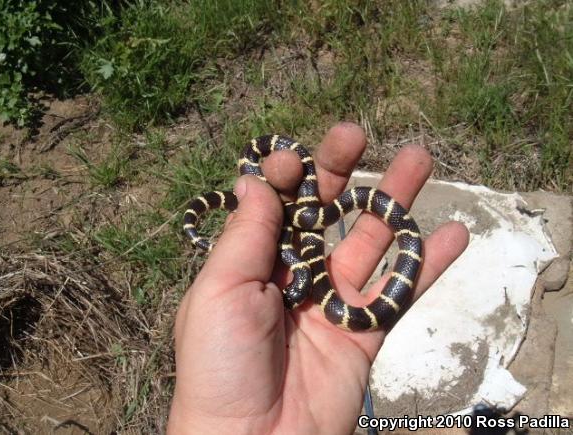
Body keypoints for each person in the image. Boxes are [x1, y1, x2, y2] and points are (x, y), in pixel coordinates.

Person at [168, 123, 469, 434]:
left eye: (294, 296)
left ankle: (292, 189)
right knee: (298, 211)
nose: (292, 301)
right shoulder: (293, 255)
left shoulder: (298, 257)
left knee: (307, 213)